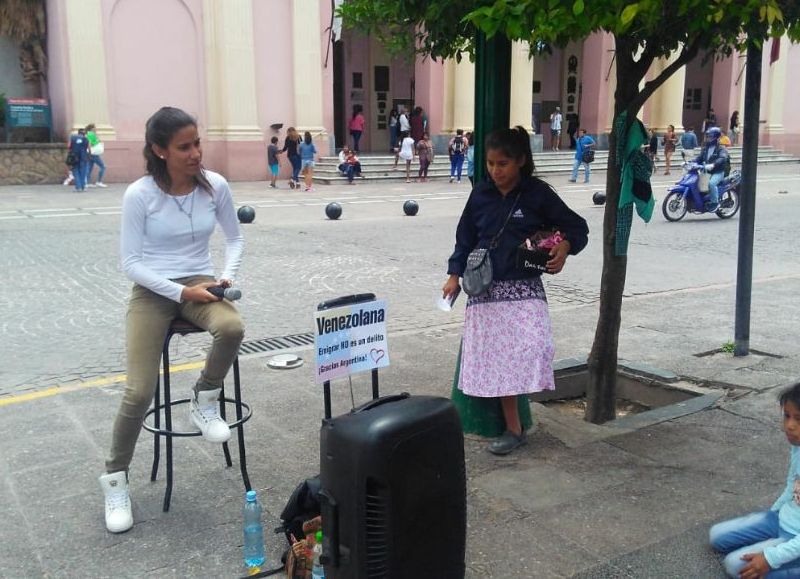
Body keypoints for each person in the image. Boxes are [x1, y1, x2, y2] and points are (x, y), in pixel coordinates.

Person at [100, 106, 245, 533]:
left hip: (201, 280)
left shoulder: (215, 186)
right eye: (184, 147)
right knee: (138, 391)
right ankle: (114, 479)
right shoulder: (140, 195)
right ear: (160, 150)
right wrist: (181, 292)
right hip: (152, 289)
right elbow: (130, 263)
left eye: (197, 143)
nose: (196, 153)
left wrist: (225, 276)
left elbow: (235, 238)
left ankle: (204, 398)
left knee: (232, 327)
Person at [442, 126, 588, 455]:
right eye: (491, 164)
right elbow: (464, 237)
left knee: (534, 347)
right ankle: (514, 429)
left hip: (524, 288)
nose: (496, 171)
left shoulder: (538, 194)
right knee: (498, 359)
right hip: (486, 292)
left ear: (521, 161)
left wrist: (564, 247)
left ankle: (521, 416)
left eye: (503, 164)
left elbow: (577, 227)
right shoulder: (480, 194)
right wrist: (453, 275)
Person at [709, 381, 800, 578]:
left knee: (736, 567)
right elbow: (791, 485)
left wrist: (770, 558)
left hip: (796, 535)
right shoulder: (798, 447)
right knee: (716, 537)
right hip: (782, 519)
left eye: (799, 419)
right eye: (787, 416)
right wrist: (774, 512)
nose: (790, 425)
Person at [693, 126, 730, 211]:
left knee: (711, 184)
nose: (708, 138)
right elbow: (699, 158)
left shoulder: (721, 148)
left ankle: (715, 203)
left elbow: (722, 158)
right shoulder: (706, 148)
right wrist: (690, 162)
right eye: (708, 136)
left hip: (718, 172)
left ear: (716, 137)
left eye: (710, 136)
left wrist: (713, 164)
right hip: (706, 172)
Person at [68, 128, 91, 192]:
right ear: (84, 134)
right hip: (83, 157)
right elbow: (89, 148)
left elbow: (69, 146)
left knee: (76, 172)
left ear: (78, 133)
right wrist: (89, 155)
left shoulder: (72, 138)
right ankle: (83, 187)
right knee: (83, 172)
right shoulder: (86, 139)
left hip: (74, 157)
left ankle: (78, 187)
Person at [85, 123, 108, 188]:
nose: (96, 129)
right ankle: (99, 182)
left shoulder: (88, 134)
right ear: (92, 128)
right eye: (95, 128)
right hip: (93, 153)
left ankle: (87, 183)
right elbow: (89, 143)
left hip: (90, 153)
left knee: (89, 168)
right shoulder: (91, 134)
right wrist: (90, 150)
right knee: (103, 166)